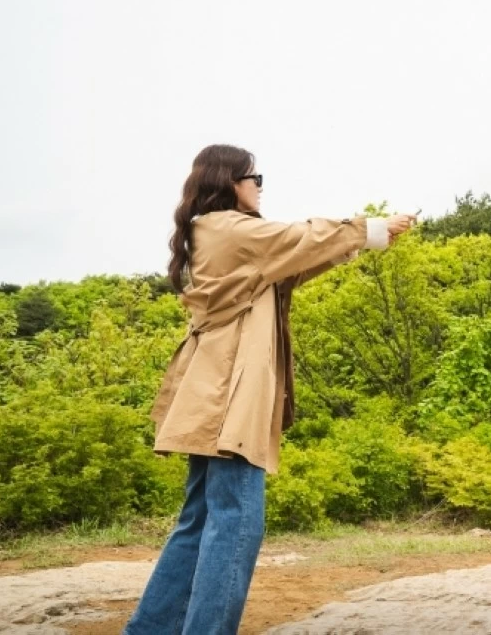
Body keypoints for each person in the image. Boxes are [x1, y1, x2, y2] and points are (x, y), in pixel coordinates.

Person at [124, 144, 418, 635]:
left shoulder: (218, 232)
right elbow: (297, 237)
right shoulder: (229, 228)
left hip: (213, 396)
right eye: (254, 177)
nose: (260, 186)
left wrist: (366, 239)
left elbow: (294, 263)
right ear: (228, 181)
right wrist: (370, 228)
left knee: (200, 523)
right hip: (228, 399)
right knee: (236, 523)